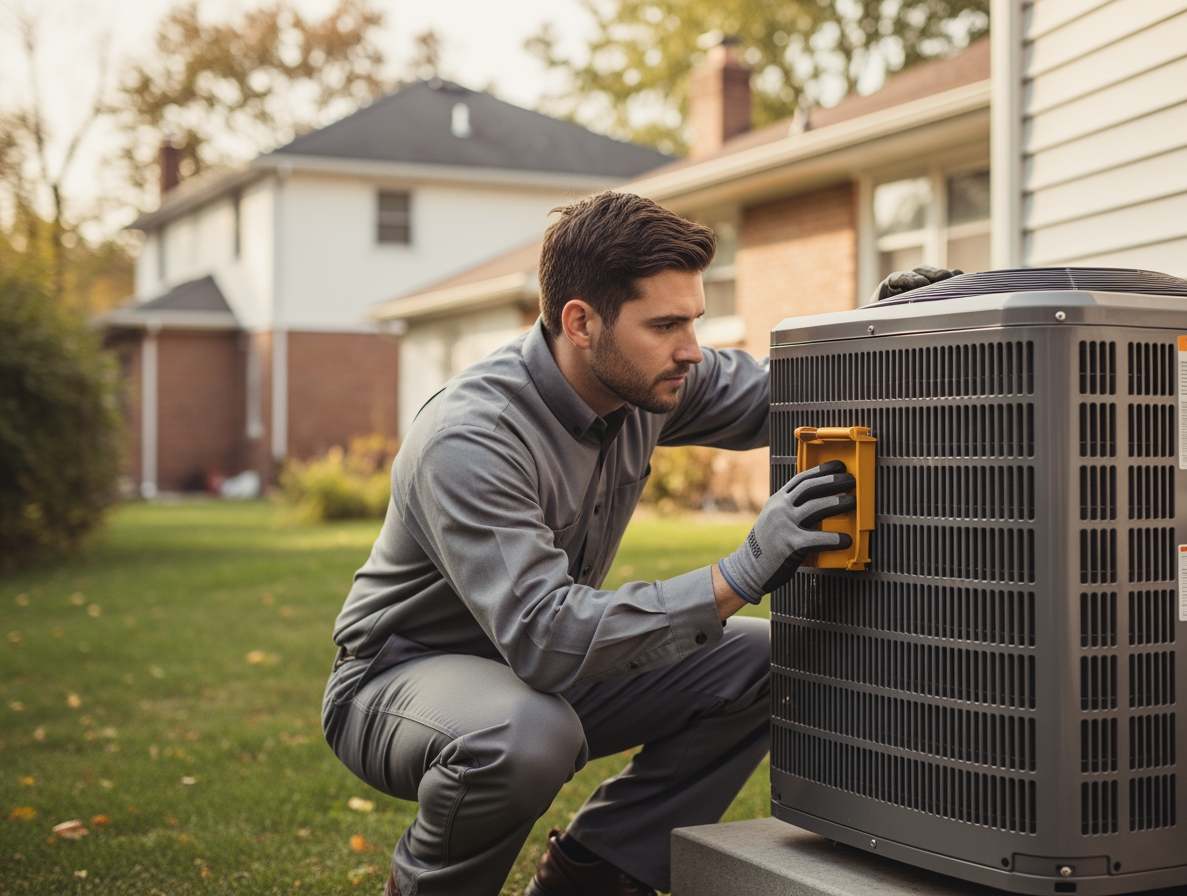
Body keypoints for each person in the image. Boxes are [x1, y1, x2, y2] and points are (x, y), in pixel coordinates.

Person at [321, 191, 859, 896]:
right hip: (398, 683)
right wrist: (742, 572)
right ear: (580, 322)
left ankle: (595, 877)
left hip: (540, 672)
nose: (691, 349)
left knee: (760, 659)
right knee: (524, 734)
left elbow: (790, 392)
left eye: (692, 320)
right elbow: (543, 636)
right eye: (665, 325)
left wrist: (886, 328)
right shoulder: (472, 437)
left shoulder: (645, 382)